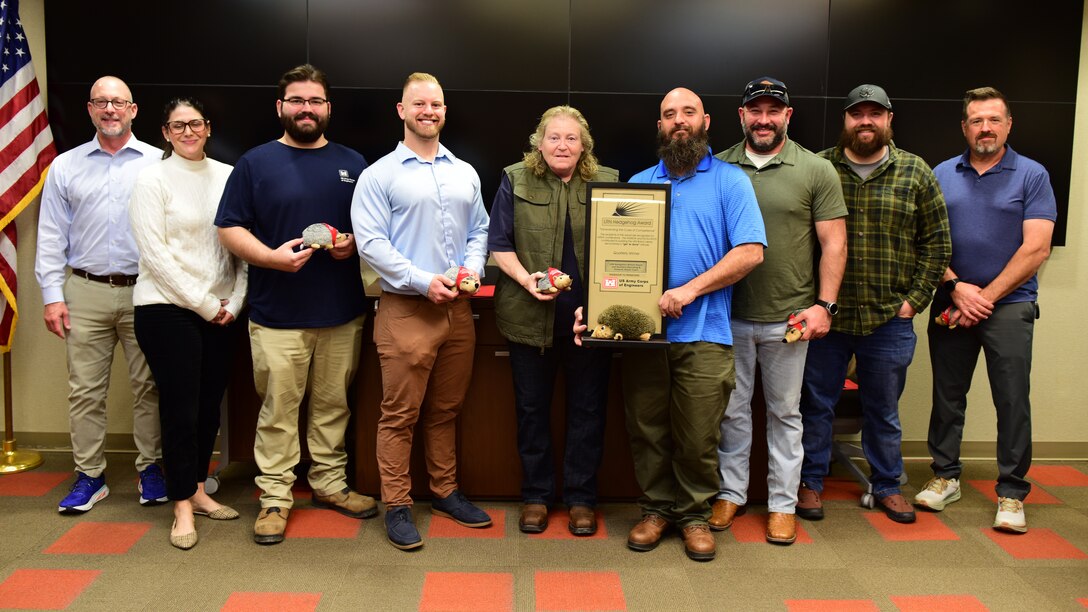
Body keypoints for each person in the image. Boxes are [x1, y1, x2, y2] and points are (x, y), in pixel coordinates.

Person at [575, 87, 765, 561]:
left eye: (687, 112)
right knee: (647, 428)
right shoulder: (639, 184)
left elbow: (750, 252)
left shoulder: (730, 181)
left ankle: (695, 515)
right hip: (645, 334)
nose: (678, 120)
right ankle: (656, 510)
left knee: (699, 434)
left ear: (705, 121)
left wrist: (689, 291)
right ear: (659, 126)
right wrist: (598, 308)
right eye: (668, 115)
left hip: (705, 332)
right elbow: (612, 261)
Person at [215, 64, 375, 545]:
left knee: (332, 406)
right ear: (281, 107)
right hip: (277, 315)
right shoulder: (254, 163)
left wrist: (354, 245)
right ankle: (275, 498)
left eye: (315, 101)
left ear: (328, 108)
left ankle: (329, 484)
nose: (307, 109)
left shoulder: (355, 163)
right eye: (297, 101)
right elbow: (228, 228)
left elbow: (375, 230)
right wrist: (270, 258)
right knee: (279, 411)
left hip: (342, 312)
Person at [798, 84, 951, 524]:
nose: (865, 121)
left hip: (888, 318)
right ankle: (810, 483)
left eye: (875, 114)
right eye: (856, 114)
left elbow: (937, 245)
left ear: (889, 120)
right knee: (816, 405)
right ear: (845, 120)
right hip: (828, 315)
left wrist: (913, 302)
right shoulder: (819, 167)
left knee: (883, 409)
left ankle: (887, 485)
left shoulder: (916, 172)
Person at [352, 72, 492, 551]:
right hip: (407, 309)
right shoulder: (379, 175)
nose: (428, 111)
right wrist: (421, 280)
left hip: (458, 311)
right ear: (402, 110)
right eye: (419, 104)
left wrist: (470, 271)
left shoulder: (465, 172)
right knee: (399, 415)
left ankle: (446, 491)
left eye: (436, 104)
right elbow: (370, 244)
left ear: (444, 111)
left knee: (446, 410)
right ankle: (398, 505)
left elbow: (480, 231)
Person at [712, 77, 847, 544]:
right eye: (756, 110)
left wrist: (824, 305)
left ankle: (782, 505)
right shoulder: (717, 166)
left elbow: (834, 242)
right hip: (725, 315)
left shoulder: (815, 169)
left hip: (789, 318)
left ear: (788, 116)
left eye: (774, 111)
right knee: (731, 412)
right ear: (742, 115)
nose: (764, 119)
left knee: (786, 414)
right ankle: (731, 494)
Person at [915, 87, 1056, 534]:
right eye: (976, 120)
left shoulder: (1032, 175)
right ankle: (945, 476)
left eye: (993, 119)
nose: (985, 128)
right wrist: (957, 289)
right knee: (948, 395)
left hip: (1010, 305)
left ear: (1008, 124)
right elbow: (927, 240)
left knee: (1012, 399)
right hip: (951, 300)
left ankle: (1012, 493)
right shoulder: (941, 173)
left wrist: (983, 298)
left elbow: (1036, 249)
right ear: (964, 127)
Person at [35, 75, 167, 513]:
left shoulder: (158, 162)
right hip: (84, 290)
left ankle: (151, 470)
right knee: (85, 391)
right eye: (100, 102)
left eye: (118, 102)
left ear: (133, 110)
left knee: (149, 387)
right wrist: (52, 296)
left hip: (145, 289)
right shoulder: (65, 166)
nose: (110, 109)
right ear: (90, 109)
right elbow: (51, 235)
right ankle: (90, 476)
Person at [487, 106, 618, 536]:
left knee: (587, 411)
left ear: (585, 147)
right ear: (539, 143)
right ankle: (536, 497)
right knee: (531, 411)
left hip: (590, 323)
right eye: (554, 137)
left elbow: (623, 255)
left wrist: (598, 303)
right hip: (528, 318)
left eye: (572, 138)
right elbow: (499, 244)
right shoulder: (514, 179)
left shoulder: (610, 183)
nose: (563, 145)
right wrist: (528, 281)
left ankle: (582, 499)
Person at [130, 97, 246, 549]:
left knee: (207, 404)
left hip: (221, 310)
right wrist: (204, 304)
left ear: (208, 127)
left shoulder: (228, 175)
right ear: (165, 132)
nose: (187, 132)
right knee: (179, 408)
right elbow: (156, 257)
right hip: (165, 309)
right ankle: (180, 503)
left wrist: (234, 302)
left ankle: (197, 488)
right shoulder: (151, 179)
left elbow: (241, 244)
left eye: (194, 124)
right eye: (178, 126)